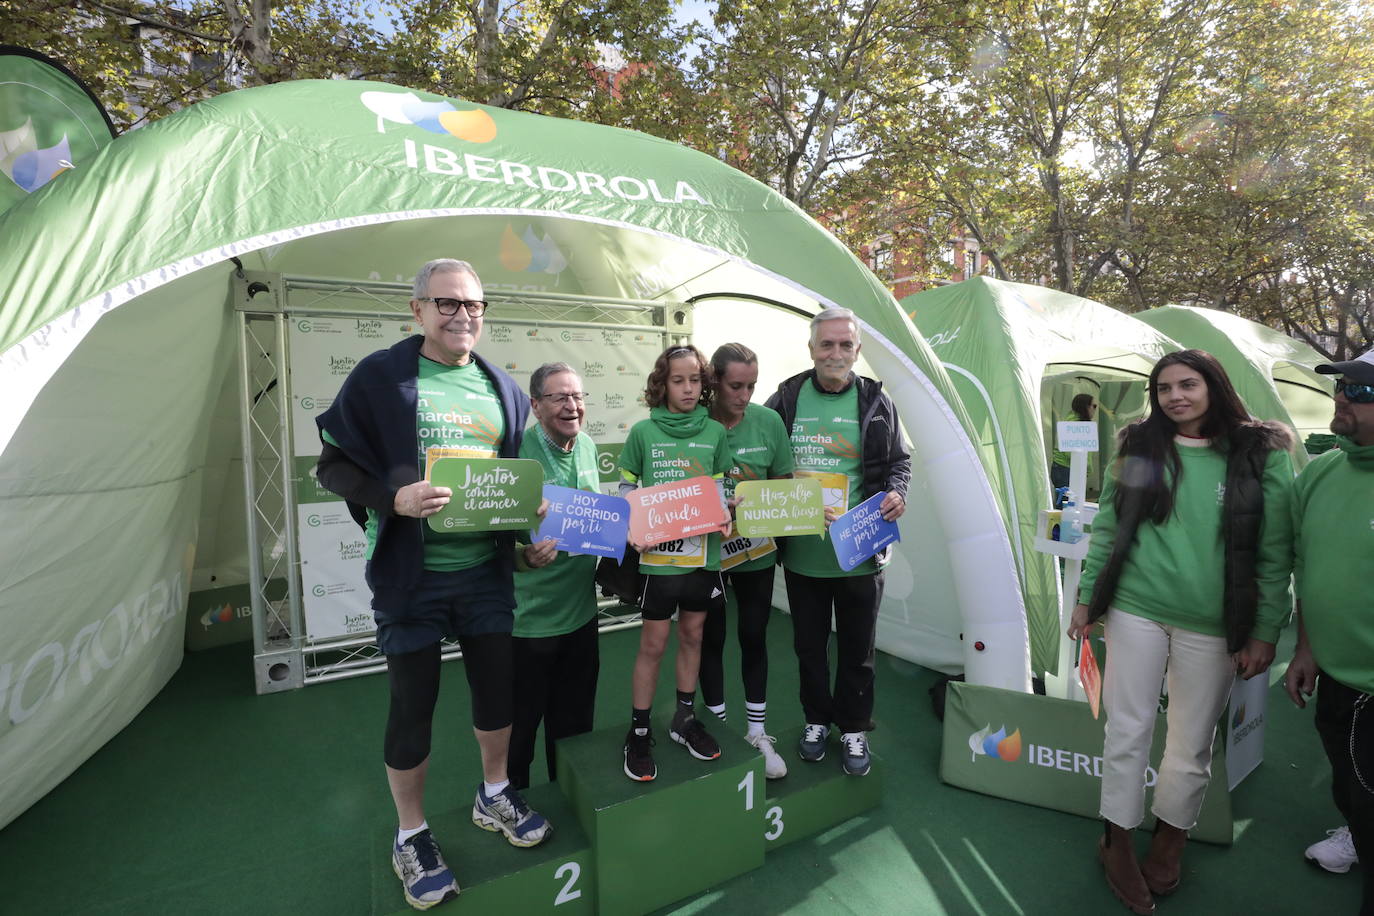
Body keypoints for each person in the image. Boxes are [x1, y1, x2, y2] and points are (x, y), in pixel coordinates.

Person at [315, 258, 550, 911]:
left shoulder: (504, 389)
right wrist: (393, 497)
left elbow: (504, 485)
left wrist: (524, 526)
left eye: (473, 304)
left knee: (496, 692)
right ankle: (411, 834)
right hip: (411, 580)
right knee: (412, 709)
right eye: (446, 303)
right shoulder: (380, 376)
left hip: (484, 577)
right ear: (417, 309)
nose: (461, 314)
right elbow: (331, 466)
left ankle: (494, 792)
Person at [1067, 349, 1293, 915]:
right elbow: (1108, 527)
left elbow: (1274, 551)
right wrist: (1087, 601)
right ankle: (1116, 837)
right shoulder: (1139, 444)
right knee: (1128, 727)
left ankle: (1172, 837)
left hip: (1216, 624)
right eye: (1164, 388)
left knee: (1191, 741)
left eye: (1187, 384)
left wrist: (1265, 629)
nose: (1175, 397)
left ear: (1213, 385)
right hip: (1136, 609)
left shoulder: (1260, 452)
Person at [764, 307, 910, 777]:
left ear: (857, 351)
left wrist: (897, 493)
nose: (836, 353)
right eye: (827, 344)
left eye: (846, 345)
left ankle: (853, 728)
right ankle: (815, 721)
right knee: (809, 649)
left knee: (857, 651)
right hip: (804, 557)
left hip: (861, 553)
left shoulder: (875, 400)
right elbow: (762, 463)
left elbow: (898, 463)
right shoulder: (786, 398)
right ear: (811, 349)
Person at [1283, 345, 1374, 912]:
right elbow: (1305, 567)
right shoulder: (1319, 473)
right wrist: (1306, 650)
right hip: (1337, 680)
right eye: (1343, 386)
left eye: (1362, 391)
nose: (1343, 397)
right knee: (1349, 787)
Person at [618, 344, 733, 781]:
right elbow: (626, 486)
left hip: (702, 557)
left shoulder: (716, 432)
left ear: (705, 385)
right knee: (653, 645)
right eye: (678, 380)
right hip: (658, 562)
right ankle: (639, 729)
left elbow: (721, 489)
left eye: (695, 380)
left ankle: (684, 720)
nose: (688, 388)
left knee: (693, 636)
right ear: (662, 384)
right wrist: (629, 515)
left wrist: (725, 511)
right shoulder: (643, 433)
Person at [700, 342, 795, 780]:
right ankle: (716, 731)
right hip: (707, 555)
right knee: (710, 638)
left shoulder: (769, 421)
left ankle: (757, 731)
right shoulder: (694, 423)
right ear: (714, 381)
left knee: (754, 636)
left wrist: (767, 506)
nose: (744, 395)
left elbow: (785, 484)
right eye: (736, 386)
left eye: (752, 386)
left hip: (755, 552)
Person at [507, 363, 602, 791]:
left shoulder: (586, 446)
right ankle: (512, 802)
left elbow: (599, 518)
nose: (572, 406)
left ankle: (568, 796)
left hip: (582, 614)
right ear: (535, 406)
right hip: (529, 623)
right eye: (560, 397)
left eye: (578, 396)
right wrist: (523, 555)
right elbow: (490, 536)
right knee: (519, 730)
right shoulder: (515, 456)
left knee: (575, 726)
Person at [1052, 393, 1098, 496]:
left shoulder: (1073, 423)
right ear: (1086, 407)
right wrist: (1087, 467)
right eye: (1094, 406)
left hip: (1064, 468)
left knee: (1068, 505)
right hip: (1066, 469)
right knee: (1069, 505)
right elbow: (1072, 453)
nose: (1095, 409)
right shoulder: (1075, 425)